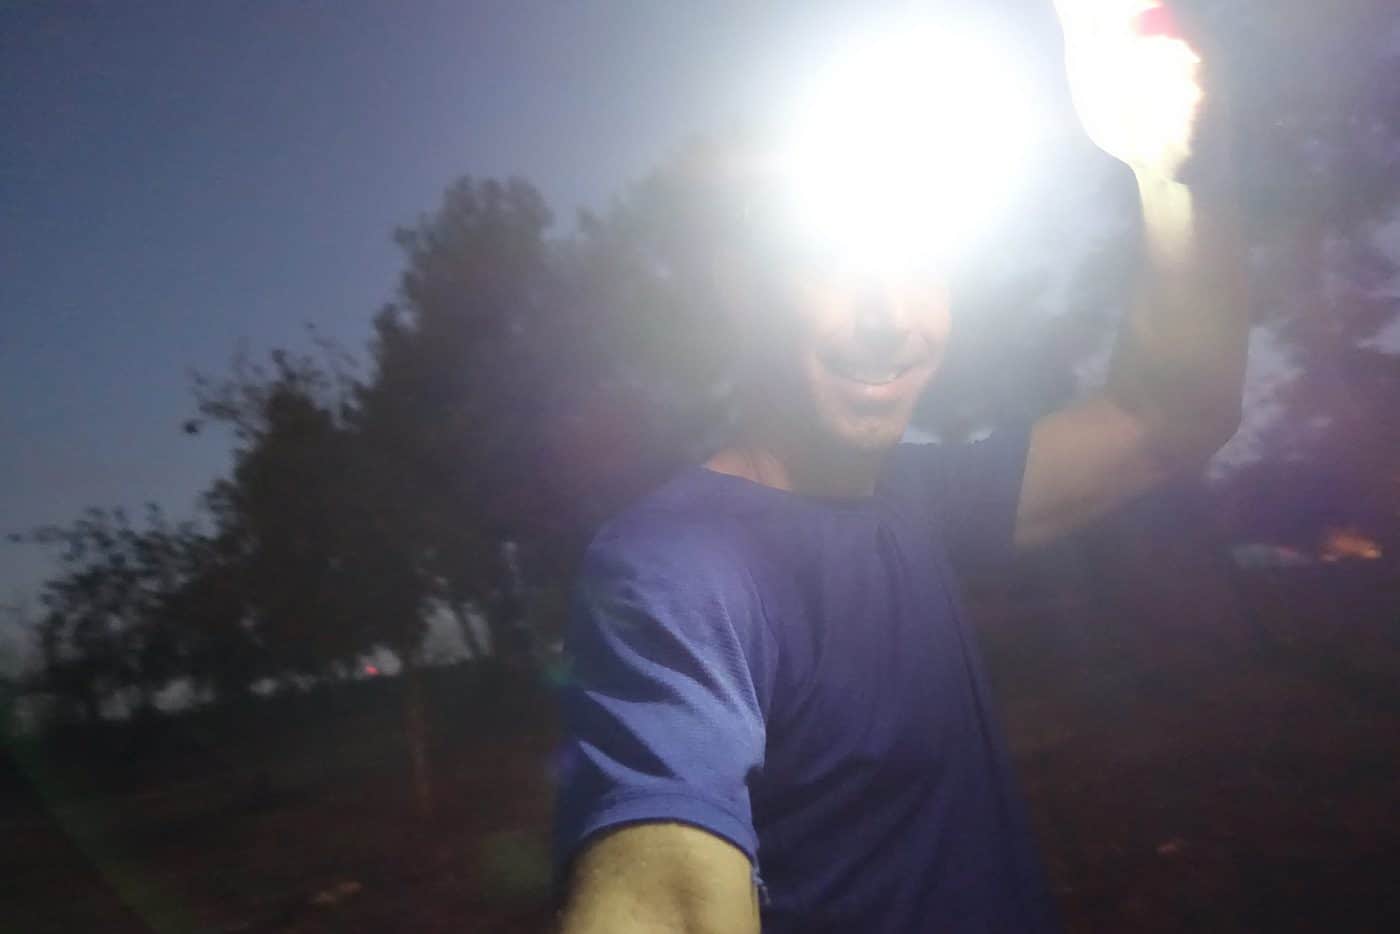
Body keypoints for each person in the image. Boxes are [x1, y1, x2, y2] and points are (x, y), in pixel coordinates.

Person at [554, 3, 1249, 931]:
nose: (890, 318)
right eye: (832, 263)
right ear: (741, 289)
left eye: (921, 266)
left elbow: (1173, 410)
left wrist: (1174, 176)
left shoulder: (922, 502)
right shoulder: (675, 571)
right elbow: (658, 896)